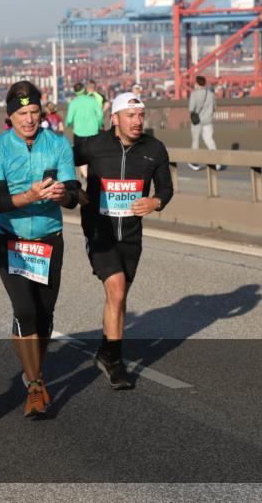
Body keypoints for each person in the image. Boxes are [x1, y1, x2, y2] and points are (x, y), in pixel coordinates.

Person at [0, 81, 80, 417]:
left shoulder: (57, 144)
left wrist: (62, 195)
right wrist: (32, 196)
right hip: (11, 240)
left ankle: (32, 371)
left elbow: (73, 195)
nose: (29, 119)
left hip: (49, 240)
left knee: (44, 315)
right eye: (22, 113)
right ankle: (36, 385)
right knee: (25, 311)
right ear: (10, 116)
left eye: (35, 112)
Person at [74, 92, 173, 389]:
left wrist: (155, 202)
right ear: (114, 119)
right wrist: (73, 190)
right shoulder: (94, 145)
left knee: (118, 297)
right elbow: (60, 162)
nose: (137, 121)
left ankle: (106, 349)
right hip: (99, 231)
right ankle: (115, 363)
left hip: (130, 234)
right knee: (116, 290)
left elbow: (166, 188)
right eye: (130, 116)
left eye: (141, 115)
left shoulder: (154, 149)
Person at [66, 82, 103, 178]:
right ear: (84, 90)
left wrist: (69, 124)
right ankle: (94, 176)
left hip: (79, 133)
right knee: (94, 156)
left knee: (81, 157)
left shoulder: (73, 103)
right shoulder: (92, 100)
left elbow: (69, 120)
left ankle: (86, 176)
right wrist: (98, 125)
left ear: (75, 92)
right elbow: (100, 115)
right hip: (94, 132)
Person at [187, 75, 219, 171]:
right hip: (208, 121)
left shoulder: (194, 94)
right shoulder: (211, 94)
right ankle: (216, 162)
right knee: (209, 140)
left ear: (196, 83)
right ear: (205, 83)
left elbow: (191, 109)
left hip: (197, 122)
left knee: (196, 140)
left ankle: (195, 162)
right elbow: (214, 107)